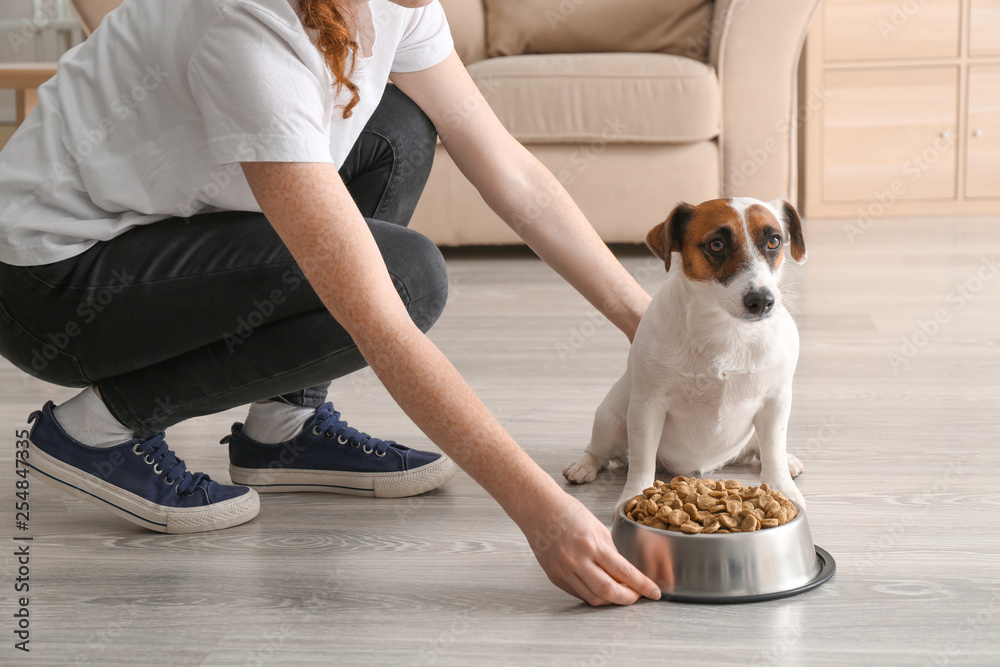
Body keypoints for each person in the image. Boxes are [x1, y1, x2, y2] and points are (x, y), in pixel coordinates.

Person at [0, 0, 659, 606]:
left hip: (151, 228)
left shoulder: (399, 4)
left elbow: (512, 173)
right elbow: (380, 322)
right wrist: (539, 511)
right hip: (49, 280)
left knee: (399, 130)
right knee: (408, 279)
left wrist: (650, 328)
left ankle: (285, 427)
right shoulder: (251, 28)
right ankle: (99, 429)